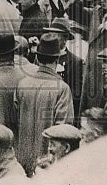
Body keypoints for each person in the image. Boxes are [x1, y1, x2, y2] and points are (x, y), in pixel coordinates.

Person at [13, 33, 74, 175]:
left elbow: (16, 119)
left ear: (37, 58)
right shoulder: (62, 88)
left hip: (22, 160)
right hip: (47, 164)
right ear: (57, 59)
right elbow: (63, 130)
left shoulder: (22, 84)